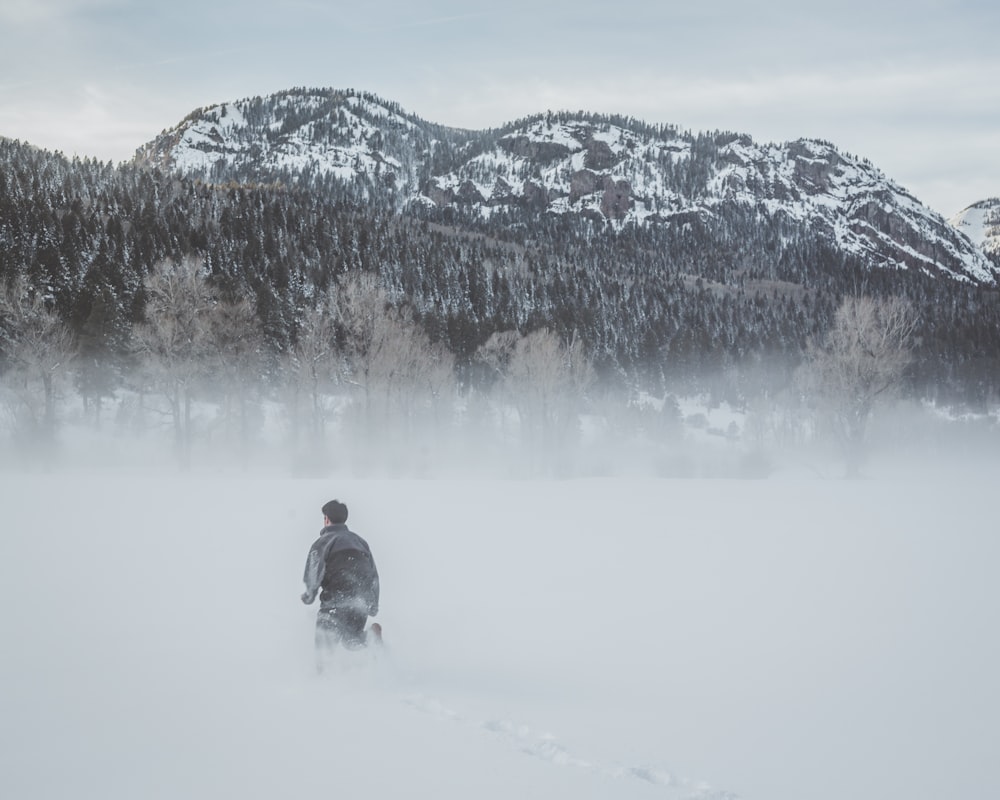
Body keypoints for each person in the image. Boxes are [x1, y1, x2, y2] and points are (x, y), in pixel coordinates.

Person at [301, 500, 381, 659]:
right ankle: (372, 635)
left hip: (334, 603)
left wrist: (309, 595)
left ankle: (320, 679)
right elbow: (373, 575)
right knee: (353, 641)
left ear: (326, 519)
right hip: (360, 602)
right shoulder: (361, 542)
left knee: (323, 648)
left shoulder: (323, 542)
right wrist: (372, 605)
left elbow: (314, 570)